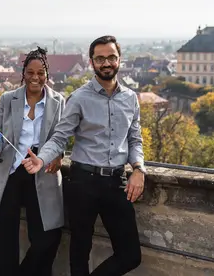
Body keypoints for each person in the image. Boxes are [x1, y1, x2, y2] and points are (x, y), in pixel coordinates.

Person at [22, 35, 145, 276]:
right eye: (100, 58)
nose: (106, 63)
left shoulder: (130, 98)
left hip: (117, 181)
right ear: (92, 62)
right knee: (79, 251)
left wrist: (139, 169)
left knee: (131, 255)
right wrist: (42, 158)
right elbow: (60, 137)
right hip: (83, 181)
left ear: (119, 60)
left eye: (111, 57)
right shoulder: (79, 98)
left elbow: (135, 139)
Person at [0, 47, 65, 276]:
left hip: (41, 170)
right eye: (30, 72)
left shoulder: (58, 102)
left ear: (47, 74)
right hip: (9, 171)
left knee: (48, 236)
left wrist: (57, 156)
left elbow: (60, 139)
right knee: (3, 238)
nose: (35, 77)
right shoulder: (8, 99)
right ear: (23, 73)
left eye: (40, 72)